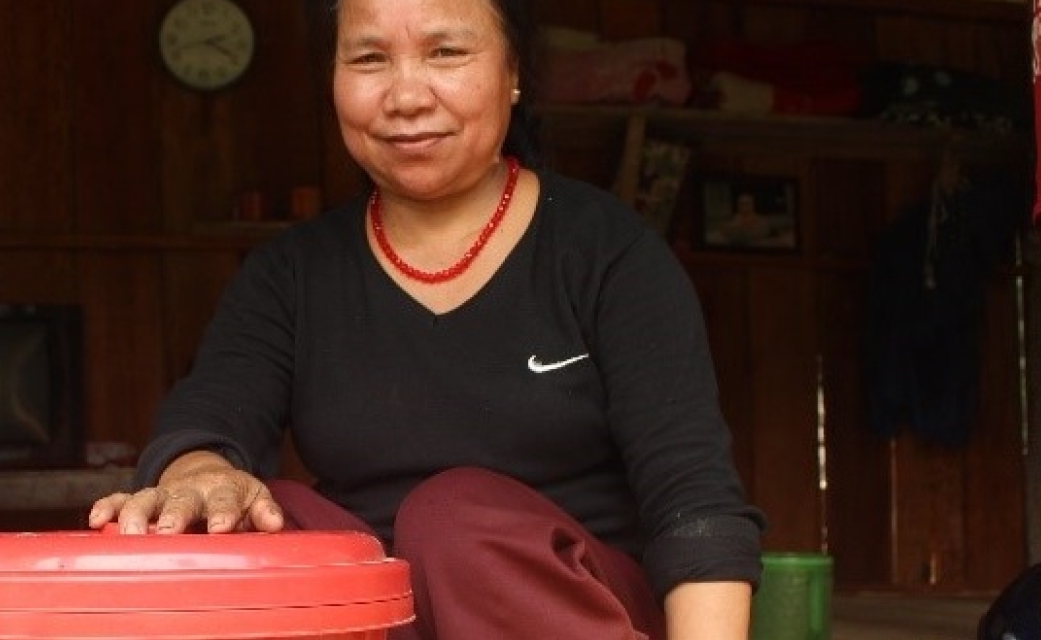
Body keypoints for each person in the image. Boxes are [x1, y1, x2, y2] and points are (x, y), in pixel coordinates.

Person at [88, 0, 765, 638]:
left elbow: (695, 506)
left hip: (559, 612)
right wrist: (199, 473)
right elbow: (211, 415)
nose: (406, 97)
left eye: (445, 51)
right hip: (380, 618)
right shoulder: (291, 273)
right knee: (253, 518)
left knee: (454, 520)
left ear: (514, 72)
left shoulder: (608, 254)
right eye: (370, 59)